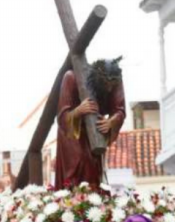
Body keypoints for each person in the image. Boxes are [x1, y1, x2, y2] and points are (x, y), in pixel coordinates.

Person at [54, 58, 126, 188]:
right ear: (98, 78)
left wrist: (111, 122)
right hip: (72, 134)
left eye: (112, 85)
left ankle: (93, 198)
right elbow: (62, 117)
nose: (110, 89)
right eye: (106, 84)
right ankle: (73, 197)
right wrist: (77, 111)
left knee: (93, 169)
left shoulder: (116, 81)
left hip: (95, 130)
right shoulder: (71, 78)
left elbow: (120, 110)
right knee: (79, 164)